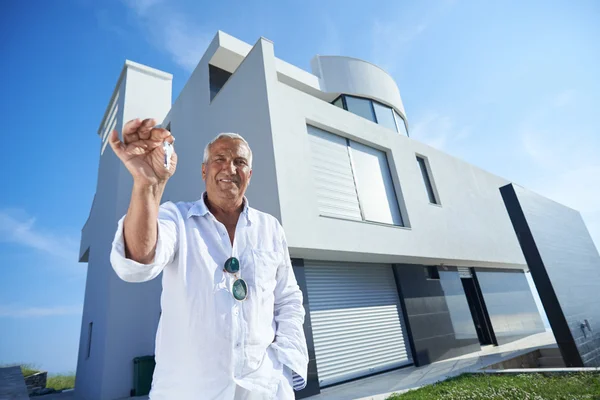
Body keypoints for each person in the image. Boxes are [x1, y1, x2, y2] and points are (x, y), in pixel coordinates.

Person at [108, 118, 308, 399]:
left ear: (250, 174)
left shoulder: (271, 228)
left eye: (240, 161)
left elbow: (287, 298)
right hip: (188, 391)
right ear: (204, 170)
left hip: (265, 389)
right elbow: (138, 263)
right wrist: (147, 185)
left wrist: (285, 366)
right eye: (220, 159)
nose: (230, 168)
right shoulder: (175, 218)